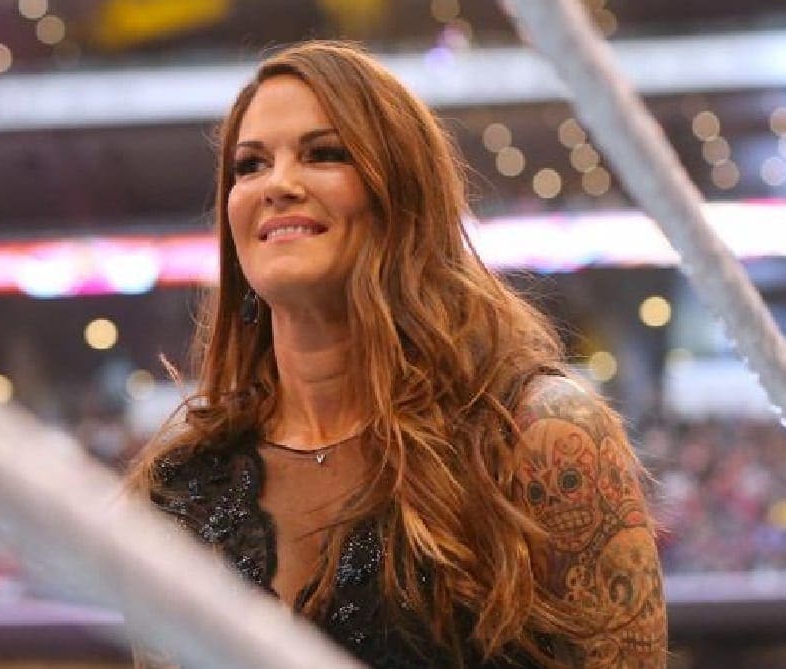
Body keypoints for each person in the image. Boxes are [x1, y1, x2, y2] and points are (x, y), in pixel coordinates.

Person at [127, 40, 667, 668]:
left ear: (403, 197)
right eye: (249, 165)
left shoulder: (541, 437)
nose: (277, 185)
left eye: (324, 154)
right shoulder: (176, 486)